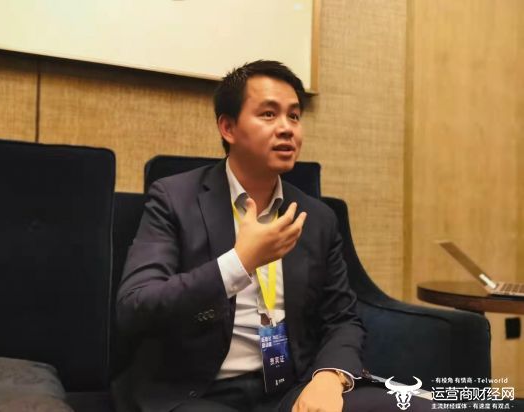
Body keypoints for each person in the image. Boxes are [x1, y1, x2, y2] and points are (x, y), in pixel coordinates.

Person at [115, 60, 434, 412]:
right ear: (228, 127)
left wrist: (329, 377)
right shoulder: (174, 199)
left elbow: (342, 319)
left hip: (289, 389)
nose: (286, 128)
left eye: (294, 116)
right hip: (196, 392)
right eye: (268, 114)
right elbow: (136, 306)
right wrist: (240, 262)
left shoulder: (317, 217)